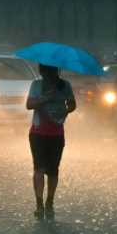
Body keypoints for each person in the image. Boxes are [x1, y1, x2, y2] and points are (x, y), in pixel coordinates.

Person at [26, 64, 76, 220]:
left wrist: (65, 110)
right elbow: (29, 105)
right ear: (43, 72)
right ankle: (39, 204)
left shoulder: (65, 85)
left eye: (52, 71)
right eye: (46, 71)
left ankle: (50, 201)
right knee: (39, 168)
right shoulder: (36, 85)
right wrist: (45, 98)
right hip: (38, 132)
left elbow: (72, 104)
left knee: (53, 170)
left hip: (56, 133)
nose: (49, 74)